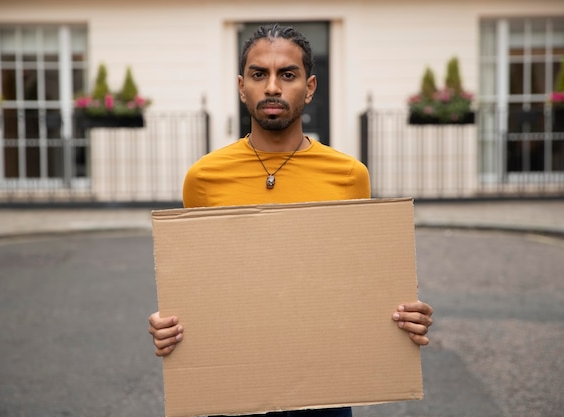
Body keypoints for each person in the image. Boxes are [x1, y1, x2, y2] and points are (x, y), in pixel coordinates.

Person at [148, 23, 434, 417]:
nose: (272, 87)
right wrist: (169, 324)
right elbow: (201, 287)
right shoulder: (204, 179)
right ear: (241, 86)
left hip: (324, 391)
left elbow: (357, 283)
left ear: (310, 86)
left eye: (287, 74)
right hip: (232, 390)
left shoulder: (349, 175)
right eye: (258, 74)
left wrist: (402, 314)